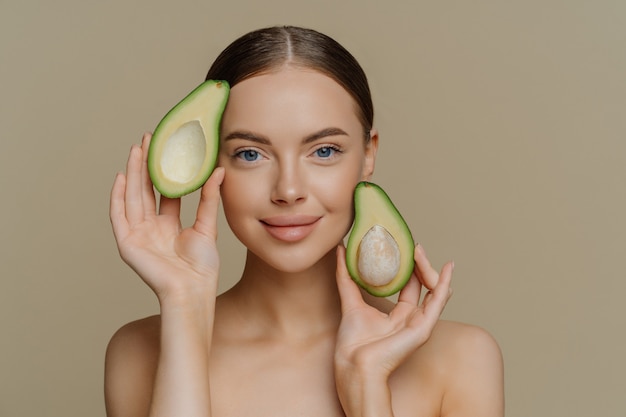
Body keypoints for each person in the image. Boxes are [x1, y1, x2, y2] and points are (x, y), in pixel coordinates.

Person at [105, 25, 504, 417]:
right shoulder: (140, 352)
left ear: (368, 155)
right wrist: (184, 307)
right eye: (250, 154)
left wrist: (367, 389)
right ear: (210, 163)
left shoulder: (461, 360)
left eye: (324, 150)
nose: (289, 189)